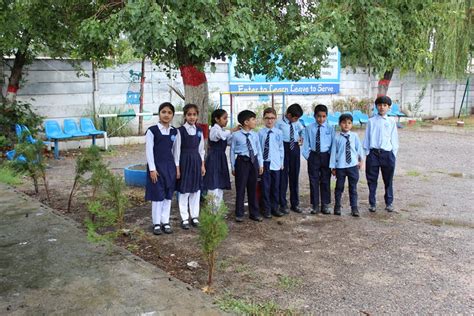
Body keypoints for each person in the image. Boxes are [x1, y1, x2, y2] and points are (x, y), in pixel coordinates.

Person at [145, 102, 178, 235]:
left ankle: (165, 221)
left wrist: (177, 167)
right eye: (163, 112)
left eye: (169, 112)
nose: (166, 115)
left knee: (168, 195)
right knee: (157, 195)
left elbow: (176, 151)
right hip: (157, 167)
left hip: (169, 167)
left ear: (173, 115)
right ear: (159, 113)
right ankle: (156, 223)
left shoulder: (174, 131)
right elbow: (149, 151)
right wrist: (152, 169)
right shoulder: (152, 131)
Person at [363, 95, 399, 212]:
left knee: (388, 179)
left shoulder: (391, 121)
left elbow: (394, 139)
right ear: (376, 106)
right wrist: (367, 152)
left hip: (387, 154)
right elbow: (367, 138)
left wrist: (393, 153)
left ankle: (389, 202)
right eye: (379, 105)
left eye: (385, 105)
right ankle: (372, 203)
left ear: (389, 107)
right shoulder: (371, 121)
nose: (382, 107)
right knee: (372, 179)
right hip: (373, 154)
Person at [174, 103, 206, 229]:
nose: (192, 117)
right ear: (185, 116)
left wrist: (202, 165)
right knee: (184, 190)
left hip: (196, 162)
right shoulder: (179, 131)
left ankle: (194, 216)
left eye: (194, 115)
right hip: (185, 161)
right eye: (189, 115)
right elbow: (176, 151)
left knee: (196, 190)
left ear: (197, 116)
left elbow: (201, 149)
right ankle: (184, 218)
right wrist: (177, 168)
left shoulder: (199, 131)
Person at [230, 110, 263, 222]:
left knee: (253, 188)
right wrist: (233, 167)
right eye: (253, 119)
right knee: (240, 188)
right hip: (241, 162)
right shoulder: (236, 135)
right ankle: (239, 213)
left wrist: (260, 164)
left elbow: (258, 149)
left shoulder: (255, 135)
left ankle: (254, 213)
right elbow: (232, 150)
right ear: (246, 122)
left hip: (253, 162)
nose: (255, 121)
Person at [302, 104, 335, 214]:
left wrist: (331, 158)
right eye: (319, 116)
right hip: (314, 156)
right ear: (314, 116)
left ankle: (325, 204)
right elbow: (305, 144)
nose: (321, 119)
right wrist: (308, 157)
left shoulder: (330, 128)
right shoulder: (309, 128)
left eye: (324, 116)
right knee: (313, 180)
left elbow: (333, 144)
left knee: (326, 180)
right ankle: (315, 205)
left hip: (326, 156)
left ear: (327, 116)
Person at [330, 113, 364, 217]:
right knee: (339, 187)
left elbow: (359, 149)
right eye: (344, 122)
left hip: (353, 166)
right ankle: (337, 206)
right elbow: (333, 152)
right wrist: (333, 166)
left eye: (349, 123)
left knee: (353, 188)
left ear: (352, 124)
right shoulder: (336, 138)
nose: (346, 125)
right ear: (340, 124)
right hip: (340, 166)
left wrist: (361, 160)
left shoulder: (354, 136)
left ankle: (354, 208)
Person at [203, 109, 239, 205]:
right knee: (213, 184)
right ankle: (212, 210)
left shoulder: (222, 131)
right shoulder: (214, 130)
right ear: (217, 119)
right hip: (214, 158)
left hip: (221, 158)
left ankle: (218, 209)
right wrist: (232, 130)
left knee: (220, 184)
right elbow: (220, 136)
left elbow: (229, 141)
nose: (226, 120)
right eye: (224, 118)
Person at [275, 103, 304, 214]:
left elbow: (302, 131)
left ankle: (295, 203)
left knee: (294, 176)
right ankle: (283, 204)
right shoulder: (279, 123)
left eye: (298, 119)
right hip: (283, 148)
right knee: (283, 178)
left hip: (295, 148)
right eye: (295, 118)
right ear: (288, 114)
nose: (296, 120)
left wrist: (302, 137)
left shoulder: (297, 122)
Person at [258, 108, 284, 218]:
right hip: (265, 163)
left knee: (275, 187)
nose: (270, 121)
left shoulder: (279, 132)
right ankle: (266, 209)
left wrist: (281, 162)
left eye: (272, 118)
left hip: (276, 163)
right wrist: (260, 164)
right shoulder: (260, 133)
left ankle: (275, 208)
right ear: (264, 119)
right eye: (267, 118)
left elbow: (281, 148)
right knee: (265, 187)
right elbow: (258, 149)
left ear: (276, 119)